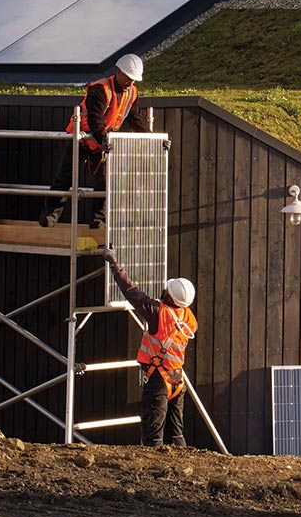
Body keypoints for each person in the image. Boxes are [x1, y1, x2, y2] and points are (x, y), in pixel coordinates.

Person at [101, 245, 197, 448]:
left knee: (152, 434)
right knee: (176, 432)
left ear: (170, 297)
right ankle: (182, 466)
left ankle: (153, 474)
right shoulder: (188, 317)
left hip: (158, 381)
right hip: (178, 380)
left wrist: (114, 264)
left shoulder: (158, 313)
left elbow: (132, 293)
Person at [41, 54, 151, 227]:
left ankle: (98, 222)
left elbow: (136, 119)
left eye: (134, 80)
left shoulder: (132, 93)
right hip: (81, 137)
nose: (131, 83)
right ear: (119, 72)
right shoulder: (100, 89)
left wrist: (154, 140)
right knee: (65, 177)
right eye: (129, 78)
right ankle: (49, 217)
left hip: (102, 140)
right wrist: (104, 140)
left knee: (104, 181)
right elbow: (94, 119)